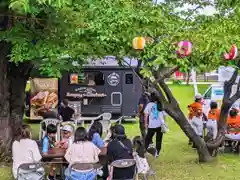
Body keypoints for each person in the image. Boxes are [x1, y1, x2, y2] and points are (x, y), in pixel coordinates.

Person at [144, 93, 167, 158]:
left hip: (152, 125)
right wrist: (165, 123)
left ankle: (144, 150)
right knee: (159, 139)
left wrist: (146, 123)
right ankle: (157, 153)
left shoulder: (149, 105)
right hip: (160, 125)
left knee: (147, 138)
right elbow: (165, 115)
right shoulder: (160, 104)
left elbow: (146, 115)